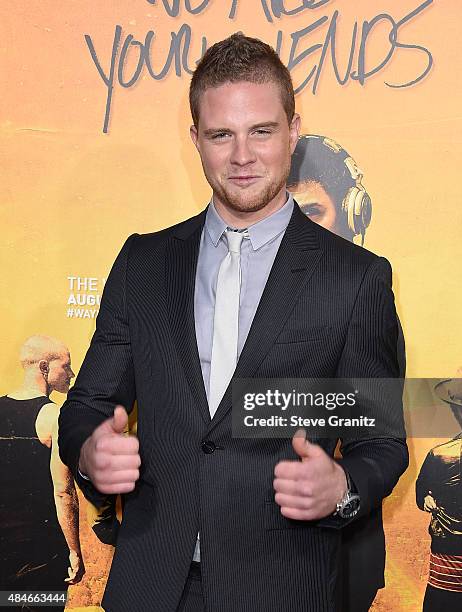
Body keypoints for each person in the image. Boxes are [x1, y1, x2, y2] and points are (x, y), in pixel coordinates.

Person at [58, 33, 408, 612]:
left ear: (293, 129)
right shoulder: (143, 263)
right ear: (196, 139)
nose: (242, 156)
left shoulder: (357, 277)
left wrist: (343, 487)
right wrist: (89, 450)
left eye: (261, 131)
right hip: (149, 585)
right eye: (222, 134)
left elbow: (383, 442)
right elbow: (86, 405)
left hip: (282, 591)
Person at [289, 134, 405, 611]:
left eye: (314, 212)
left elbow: (374, 440)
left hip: (334, 555)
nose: (301, 230)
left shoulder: (366, 299)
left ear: (354, 213)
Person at [0, 335, 84, 604]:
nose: (71, 374)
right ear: (44, 367)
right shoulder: (54, 416)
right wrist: (74, 550)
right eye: (66, 366)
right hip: (40, 550)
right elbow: (63, 492)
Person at [416, 367, 462, 612]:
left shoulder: (439, 455)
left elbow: (421, 496)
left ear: (458, 411)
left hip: (449, 571)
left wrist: (428, 499)